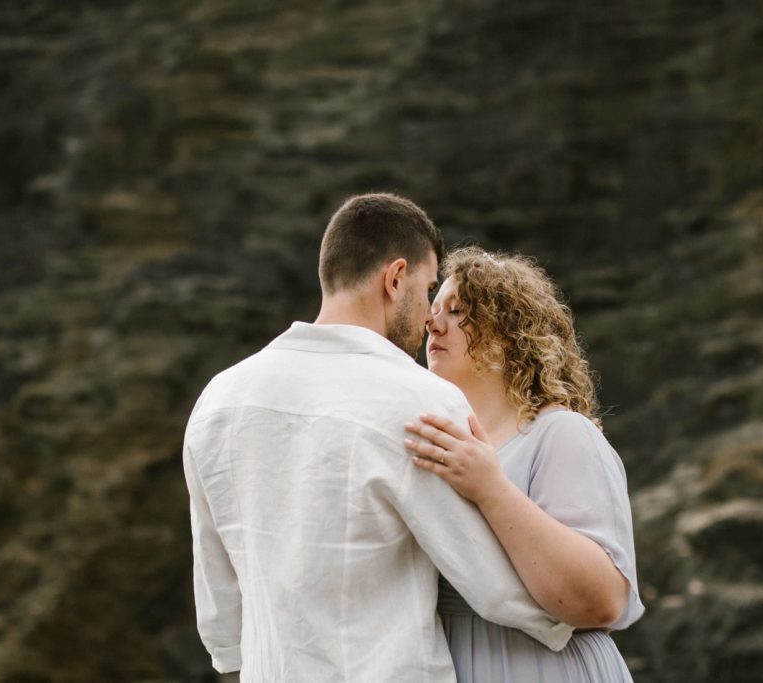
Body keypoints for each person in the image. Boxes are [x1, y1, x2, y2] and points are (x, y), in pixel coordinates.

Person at [182, 195, 571, 683]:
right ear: (394, 278)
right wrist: (572, 616)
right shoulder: (420, 400)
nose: (431, 316)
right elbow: (494, 587)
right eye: (429, 288)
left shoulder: (219, 400)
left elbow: (219, 609)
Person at [404, 245, 644, 682]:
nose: (431, 322)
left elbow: (601, 600)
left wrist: (489, 488)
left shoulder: (561, 433)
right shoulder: (438, 440)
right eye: (432, 308)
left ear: (507, 334)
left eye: (457, 311)